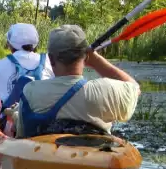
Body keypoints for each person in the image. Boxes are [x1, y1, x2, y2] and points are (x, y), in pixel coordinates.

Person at [13, 24, 141, 138]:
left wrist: (14, 116)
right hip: (93, 160)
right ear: (85, 57)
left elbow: (22, 134)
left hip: (45, 160)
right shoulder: (107, 90)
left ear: (51, 59)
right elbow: (135, 88)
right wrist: (97, 62)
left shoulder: (31, 91)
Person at [0, 23, 54, 102]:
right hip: (42, 112)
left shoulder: (0, 64)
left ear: (10, 44)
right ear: (35, 44)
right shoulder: (49, 60)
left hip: (10, 112)